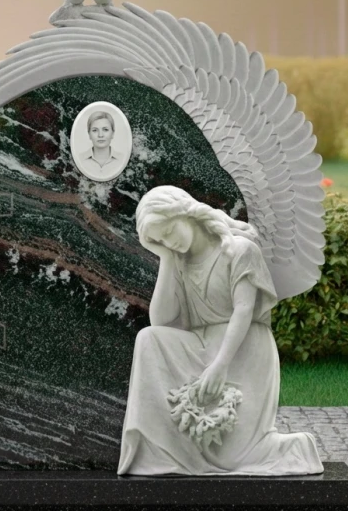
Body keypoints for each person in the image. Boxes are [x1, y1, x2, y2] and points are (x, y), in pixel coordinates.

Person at [118, 186, 324, 476]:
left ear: (185, 213)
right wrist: (165, 258)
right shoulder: (181, 261)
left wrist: (219, 366)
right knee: (148, 339)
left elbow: (243, 310)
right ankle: (159, 454)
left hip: (242, 349)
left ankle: (296, 448)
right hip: (200, 345)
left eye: (169, 231)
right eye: (161, 239)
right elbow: (160, 322)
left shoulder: (239, 250)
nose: (169, 241)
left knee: (234, 457)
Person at [79, 111, 122, 177]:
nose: (100, 135)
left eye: (105, 130)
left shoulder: (122, 159)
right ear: (89, 134)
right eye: (95, 130)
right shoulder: (80, 159)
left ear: (113, 133)